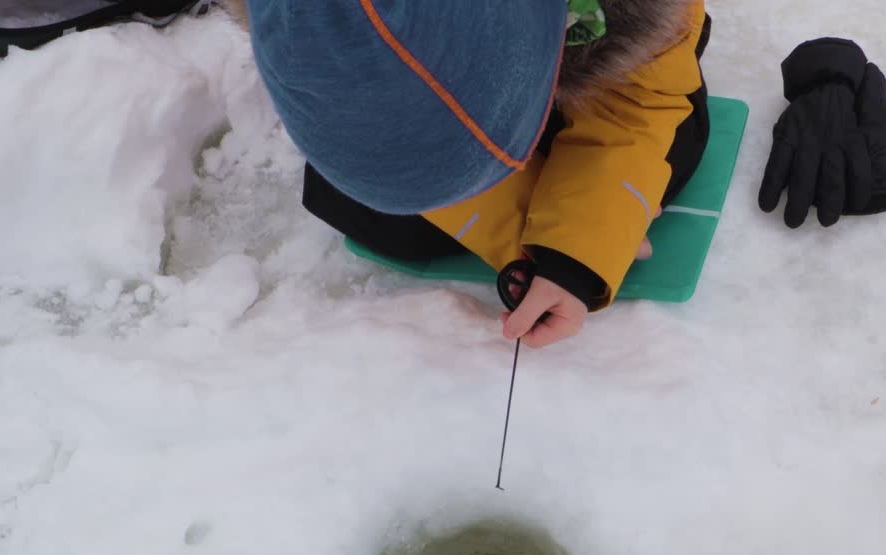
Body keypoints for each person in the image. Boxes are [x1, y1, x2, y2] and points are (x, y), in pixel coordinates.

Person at [230, 0, 713, 349]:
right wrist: (548, 247)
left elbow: (636, 105)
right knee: (380, 218)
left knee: (676, 141)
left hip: (611, 49)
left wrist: (579, 249)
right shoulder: (305, 24)